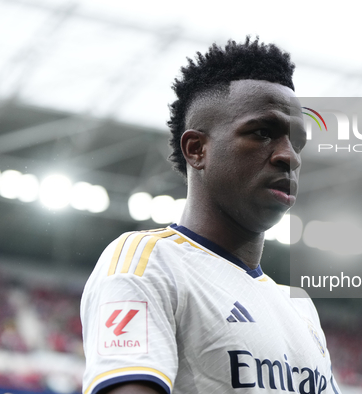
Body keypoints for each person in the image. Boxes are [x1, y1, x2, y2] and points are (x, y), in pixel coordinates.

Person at [81, 37, 341, 394]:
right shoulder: (148, 264)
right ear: (197, 149)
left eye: (297, 142)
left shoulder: (300, 308)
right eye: (263, 133)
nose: (289, 156)